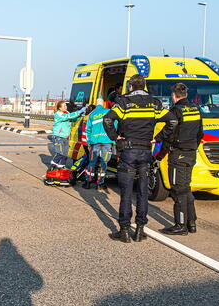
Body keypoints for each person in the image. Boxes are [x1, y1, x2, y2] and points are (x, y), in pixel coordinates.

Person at [103, 74, 164, 243]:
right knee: (143, 192)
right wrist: (158, 138)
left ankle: (123, 230)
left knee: (126, 193)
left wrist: (115, 137)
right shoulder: (155, 103)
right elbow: (172, 120)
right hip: (145, 152)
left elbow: (107, 119)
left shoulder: (123, 102)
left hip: (128, 151)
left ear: (130, 86)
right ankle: (140, 230)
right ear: (144, 86)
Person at [154, 82, 204, 235]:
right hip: (190, 154)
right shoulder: (196, 109)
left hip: (178, 155)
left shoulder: (176, 111)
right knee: (186, 188)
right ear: (186, 95)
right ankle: (191, 222)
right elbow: (200, 133)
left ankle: (180, 225)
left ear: (174, 96)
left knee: (178, 191)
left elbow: (169, 136)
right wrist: (192, 148)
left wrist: (159, 155)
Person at [83, 98, 116, 190]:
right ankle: (100, 183)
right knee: (103, 163)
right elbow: (115, 125)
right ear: (104, 104)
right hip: (107, 142)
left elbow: (88, 130)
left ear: (96, 104)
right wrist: (114, 139)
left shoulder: (92, 114)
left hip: (95, 142)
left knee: (92, 162)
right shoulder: (109, 112)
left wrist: (89, 143)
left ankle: (88, 182)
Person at [50, 100, 87, 170]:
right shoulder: (58, 114)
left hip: (65, 137)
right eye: (64, 106)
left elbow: (72, 119)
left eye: (66, 105)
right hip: (58, 136)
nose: (66, 107)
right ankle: (52, 168)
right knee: (59, 153)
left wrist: (80, 115)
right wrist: (79, 112)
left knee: (65, 154)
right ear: (60, 108)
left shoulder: (67, 113)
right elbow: (68, 117)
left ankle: (61, 167)